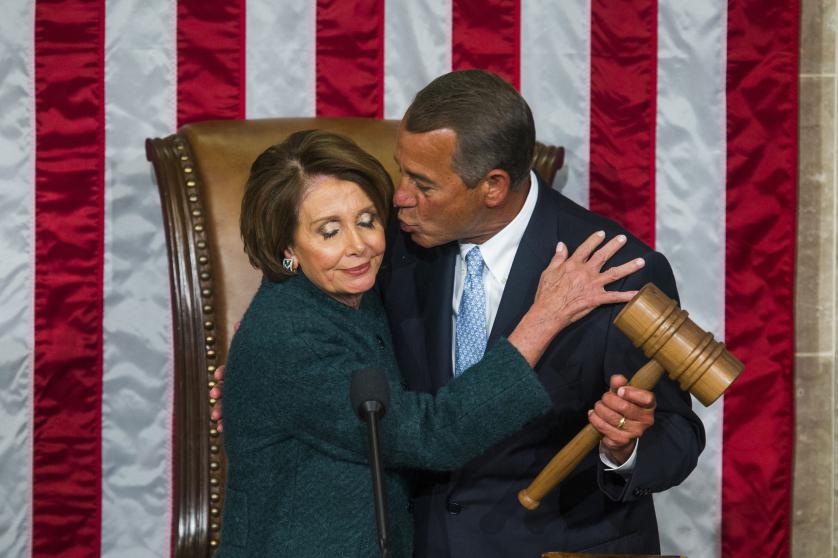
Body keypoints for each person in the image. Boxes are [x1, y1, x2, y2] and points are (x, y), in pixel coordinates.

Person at [216, 129, 643, 557]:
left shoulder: (356, 295)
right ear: (288, 246)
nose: (358, 245)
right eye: (329, 232)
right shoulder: (288, 334)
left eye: (366, 220)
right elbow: (431, 434)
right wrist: (544, 317)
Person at [376, 69, 705, 556]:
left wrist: (624, 448)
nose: (401, 195)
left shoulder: (615, 271)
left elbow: (678, 434)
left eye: (422, 184)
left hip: (557, 544)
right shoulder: (392, 247)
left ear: (492, 186)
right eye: (401, 171)